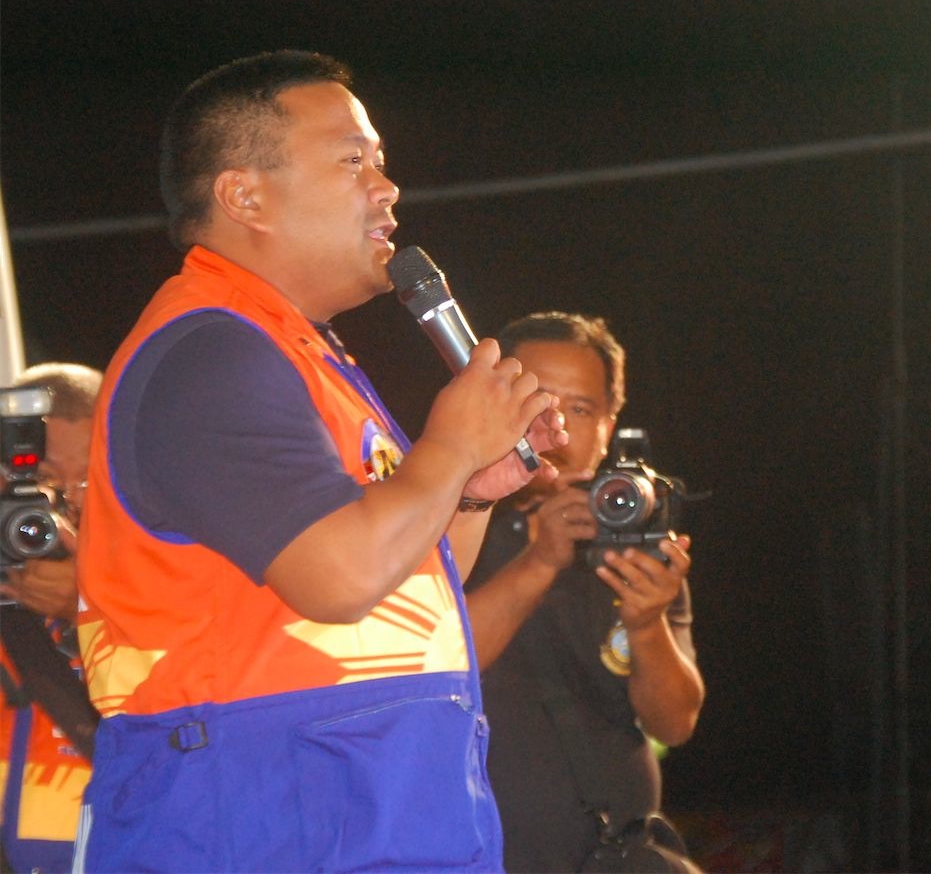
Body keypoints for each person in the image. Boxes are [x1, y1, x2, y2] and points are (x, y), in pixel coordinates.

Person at [73, 50, 566, 872]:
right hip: (259, 827)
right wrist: (447, 447)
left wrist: (469, 490)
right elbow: (335, 578)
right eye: (352, 161)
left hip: (366, 820)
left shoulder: (300, 352)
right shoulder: (209, 354)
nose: (387, 187)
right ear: (244, 196)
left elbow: (399, 588)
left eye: (380, 161)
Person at [464, 312, 704, 872]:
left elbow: (674, 724)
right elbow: (439, 662)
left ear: (607, 424)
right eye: (538, 400)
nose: (558, 428)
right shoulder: (453, 519)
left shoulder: (634, 539)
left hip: (617, 853)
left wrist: (646, 623)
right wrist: (540, 559)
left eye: (580, 409)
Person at [0, 362, 100, 873]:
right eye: (42, 480)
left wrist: (93, 608)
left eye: (87, 478)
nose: (67, 502)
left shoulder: (164, 589)